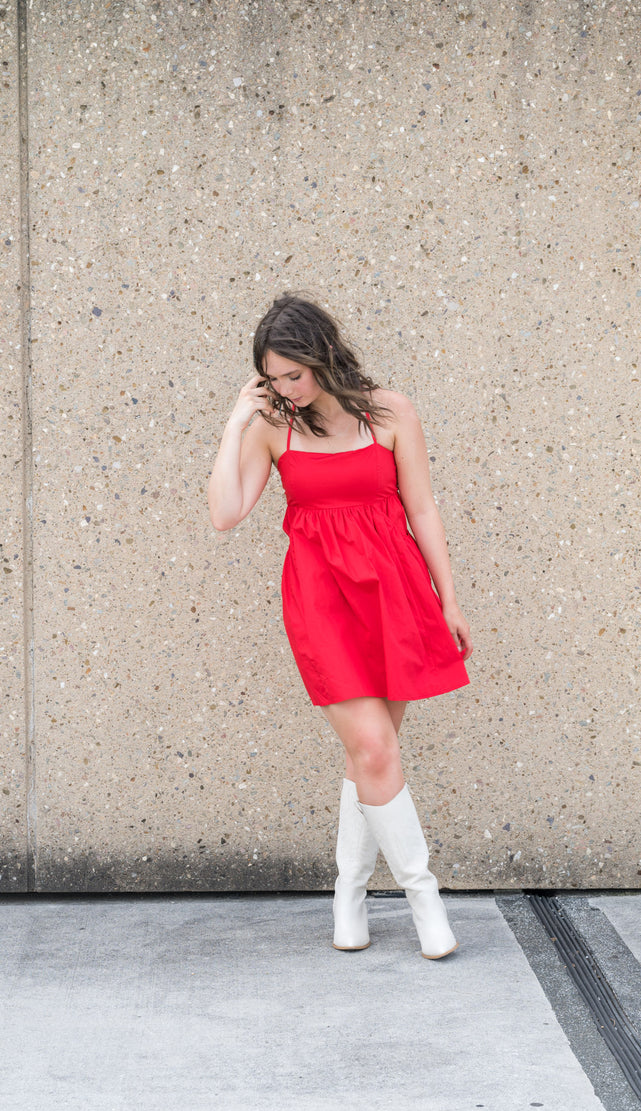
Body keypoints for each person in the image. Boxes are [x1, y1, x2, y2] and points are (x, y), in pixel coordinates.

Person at [208, 292, 472, 959]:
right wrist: (236, 424)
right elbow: (225, 512)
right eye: (272, 380)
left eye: (292, 375)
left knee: (369, 757)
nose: (285, 390)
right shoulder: (273, 427)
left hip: (395, 593)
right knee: (376, 751)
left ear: (323, 356)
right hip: (321, 600)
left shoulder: (389, 412)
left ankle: (348, 896)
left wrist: (449, 599)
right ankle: (424, 900)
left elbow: (424, 508)